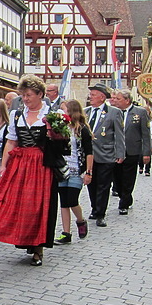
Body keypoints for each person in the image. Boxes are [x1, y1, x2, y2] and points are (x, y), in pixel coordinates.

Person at [0, 75, 60, 267]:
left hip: (41, 164)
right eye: (23, 95)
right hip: (21, 163)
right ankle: (24, 237)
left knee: (38, 205)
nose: (25, 99)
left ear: (40, 95)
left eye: (29, 95)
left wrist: (55, 133)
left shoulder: (51, 113)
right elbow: (11, 141)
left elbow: (61, 141)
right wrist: (4, 165)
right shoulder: (16, 115)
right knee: (18, 203)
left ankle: (38, 247)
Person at [84, 83, 125, 227]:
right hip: (89, 156)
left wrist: (120, 152)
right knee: (91, 184)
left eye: (93, 95)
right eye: (90, 95)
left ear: (102, 97)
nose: (91, 97)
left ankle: (101, 213)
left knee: (103, 184)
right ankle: (94, 208)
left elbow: (119, 135)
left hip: (106, 154)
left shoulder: (113, 112)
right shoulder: (86, 112)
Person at [54, 100, 92, 244]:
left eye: (64, 110)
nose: (61, 113)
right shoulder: (60, 128)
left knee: (72, 200)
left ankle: (80, 220)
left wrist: (88, 172)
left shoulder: (82, 129)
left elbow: (89, 152)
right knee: (63, 202)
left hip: (77, 169)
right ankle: (66, 232)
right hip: (62, 169)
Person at [110, 90, 150, 214]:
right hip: (116, 151)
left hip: (132, 149)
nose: (115, 101)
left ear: (127, 100)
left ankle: (124, 202)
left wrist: (146, 152)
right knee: (117, 177)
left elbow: (146, 134)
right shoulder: (113, 112)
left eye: (118, 99)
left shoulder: (140, 112)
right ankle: (125, 196)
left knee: (128, 177)